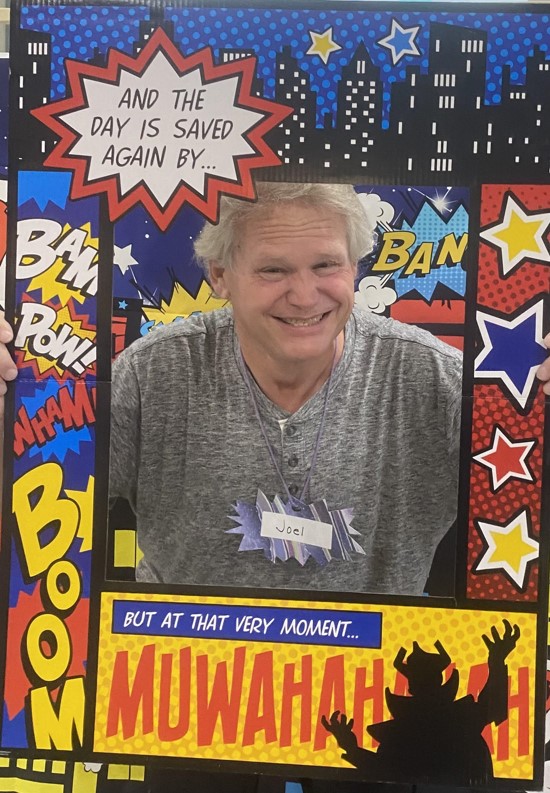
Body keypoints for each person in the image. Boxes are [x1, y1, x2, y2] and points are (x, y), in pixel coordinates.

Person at [0, 182, 549, 793]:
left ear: (356, 266)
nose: (305, 295)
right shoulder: (154, 373)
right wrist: (10, 416)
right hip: (184, 683)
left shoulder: (436, 379)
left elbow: (522, 510)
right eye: (273, 270)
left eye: (326, 265)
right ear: (220, 275)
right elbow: (35, 506)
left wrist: (535, 413)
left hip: (374, 681)